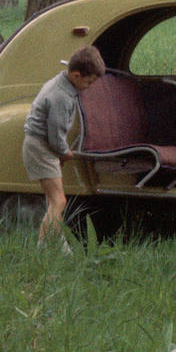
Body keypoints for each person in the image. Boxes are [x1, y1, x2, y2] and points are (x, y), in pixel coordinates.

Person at [22, 46, 105, 244]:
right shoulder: (61, 96)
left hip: (43, 146)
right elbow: (55, 132)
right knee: (59, 201)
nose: (90, 86)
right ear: (76, 75)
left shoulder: (64, 83)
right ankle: (42, 248)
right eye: (89, 81)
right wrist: (64, 151)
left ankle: (58, 246)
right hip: (41, 147)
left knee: (53, 201)